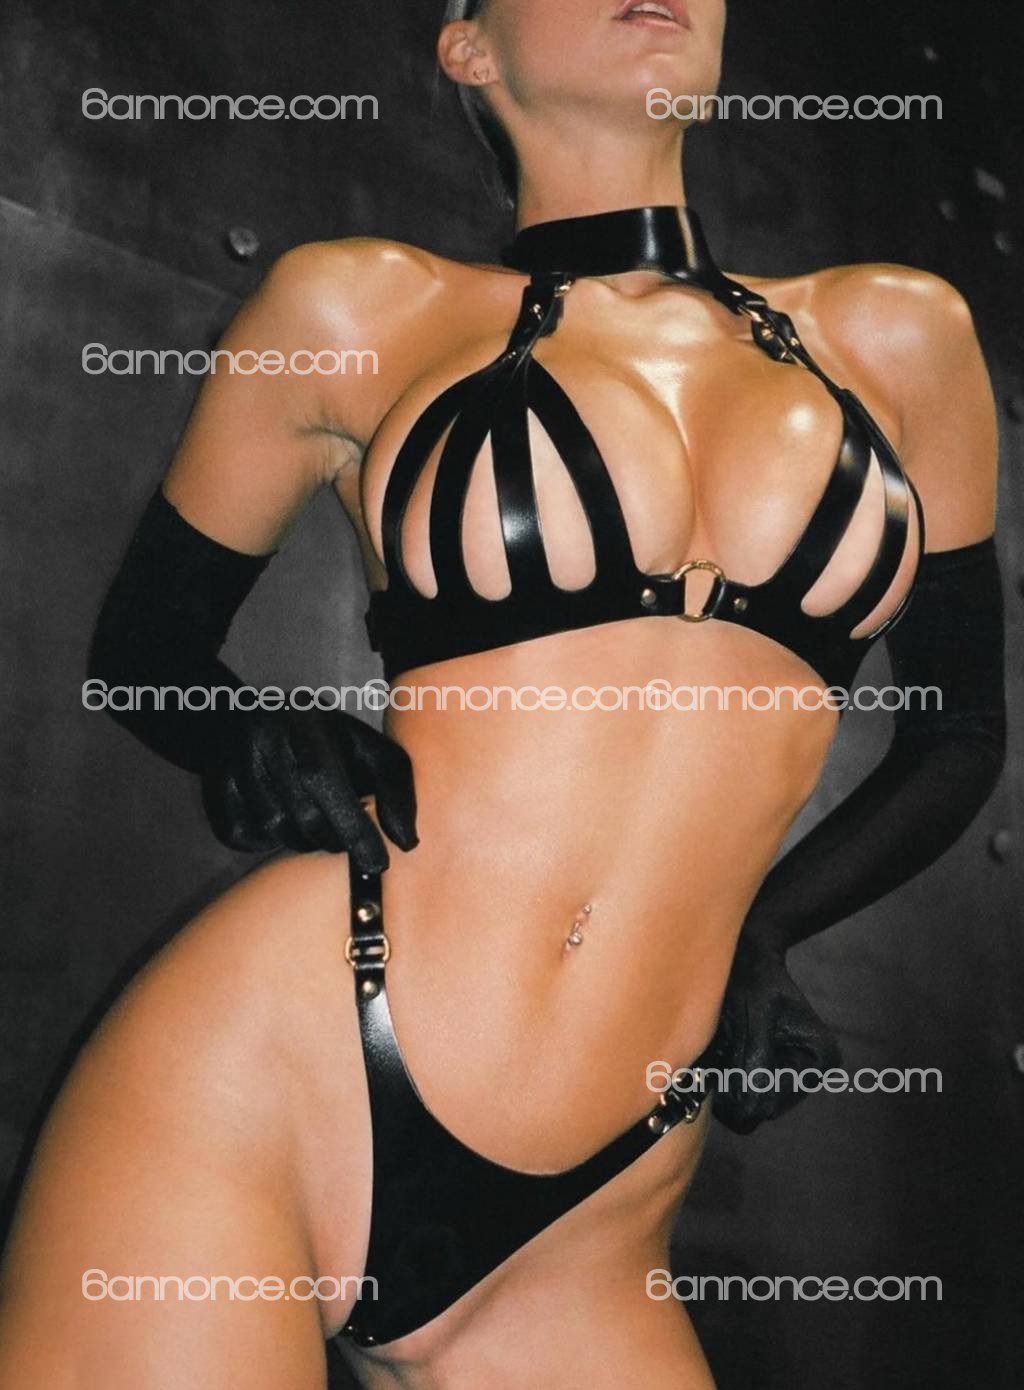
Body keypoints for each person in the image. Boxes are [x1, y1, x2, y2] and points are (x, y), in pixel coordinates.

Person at [0, 1, 1005, 1386]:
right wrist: (249, 729)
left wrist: (766, 927)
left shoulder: (903, 337)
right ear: (469, 48)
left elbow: (961, 735)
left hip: (599, 1206)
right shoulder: (356, 310)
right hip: (277, 1069)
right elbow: (143, 649)